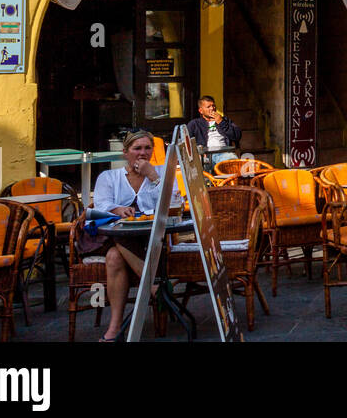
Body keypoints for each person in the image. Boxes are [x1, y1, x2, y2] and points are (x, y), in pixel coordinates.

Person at [89, 130, 182, 341]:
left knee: (114, 257)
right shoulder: (109, 177)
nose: (143, 153)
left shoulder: (161, 173)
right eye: (137, 148)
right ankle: (154, 285)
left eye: (147, 148)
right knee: (119, 236)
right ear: (125, 152)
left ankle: (114, 328)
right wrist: (117, 209)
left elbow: (173, 202)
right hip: (114, 236)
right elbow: (101, 205)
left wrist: (153, 177)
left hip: (151, 238)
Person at [186, 95, 242, 168]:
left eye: (213, 106)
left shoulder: (224, 120)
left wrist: (221, 122)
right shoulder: (194, 124)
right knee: (196, 167)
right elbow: (186, 142)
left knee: (232, 163)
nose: (212, 108)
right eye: (208, 107)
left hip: (223, 153)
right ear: (201, 111)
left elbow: (237, 136)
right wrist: (197, 153)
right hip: (204, 155)